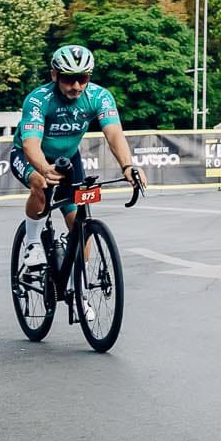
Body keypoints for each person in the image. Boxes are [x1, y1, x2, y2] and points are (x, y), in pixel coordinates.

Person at [11, 45, 146, 316]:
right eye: (68, 78)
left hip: (68, 159)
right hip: (30, 157)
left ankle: (77, 291)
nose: (75, 85)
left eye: (82, 78)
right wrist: (43, 168)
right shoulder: (39, 100)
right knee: (39, 183)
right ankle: (34, 244)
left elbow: (114, 134)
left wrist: (128, 166)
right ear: (54, 75)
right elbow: (30, 144)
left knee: (79, 225)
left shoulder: (99, 97)